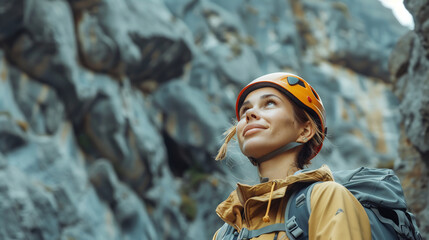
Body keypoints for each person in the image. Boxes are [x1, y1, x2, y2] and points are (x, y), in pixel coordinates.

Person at [213, 72, 371, 240]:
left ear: (305, 131)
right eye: (246, 109)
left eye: (269, 103)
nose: (250, 114)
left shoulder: (326, 197)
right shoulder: (227, 231)